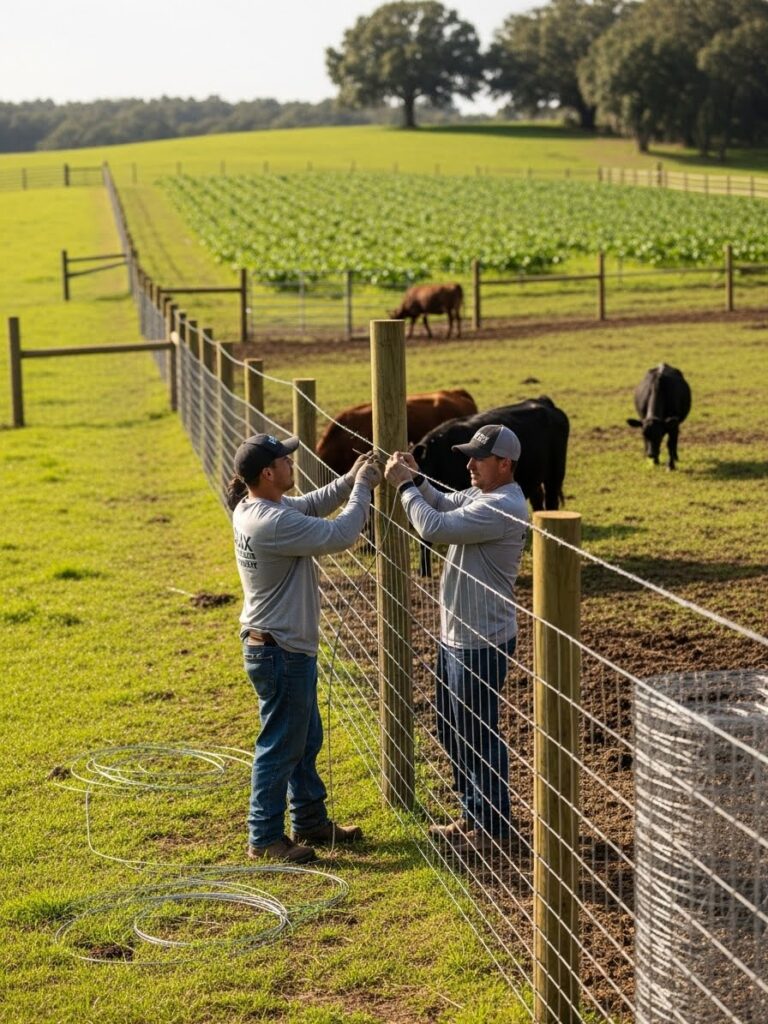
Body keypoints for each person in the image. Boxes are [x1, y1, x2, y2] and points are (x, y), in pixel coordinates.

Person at [228, 432, 382, 864]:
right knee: (281, 745)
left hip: (277, 646)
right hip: (281, 651)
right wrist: (365, 488)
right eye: (286, 461)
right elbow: (340, 534)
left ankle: (310, 820)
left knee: (304, 737)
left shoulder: (256, 507)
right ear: (268, 473)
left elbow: (312, 504)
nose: (292, 465)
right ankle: (265, 837)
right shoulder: (271, 521)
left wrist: (351, 478)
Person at [384, 424, 528, 853]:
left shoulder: (502, 506)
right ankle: (471, 815)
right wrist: (420, 479)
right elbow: (444, 503)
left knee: (478, 733)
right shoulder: (484, 496)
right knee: (452, 728)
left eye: (478, 459)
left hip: (482, 640)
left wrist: (406, 486)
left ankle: (492, 826)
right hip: (458, 637)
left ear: (504, 464)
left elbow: (433, 527)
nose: (468, 465)